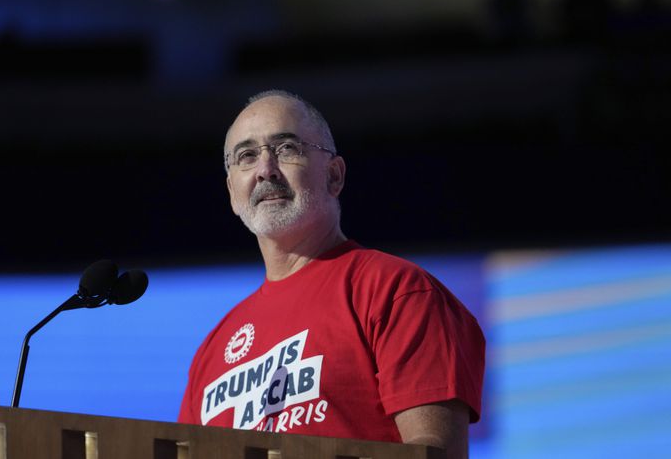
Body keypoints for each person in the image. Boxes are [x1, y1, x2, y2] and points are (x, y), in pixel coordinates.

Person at [178, 90, 485, 459]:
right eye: (246, 156)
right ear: (232, 193)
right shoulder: (211, 351)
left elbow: (435, 452)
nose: (266, 169)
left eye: (286, 148)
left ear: (334, 176)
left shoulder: (396, 291)